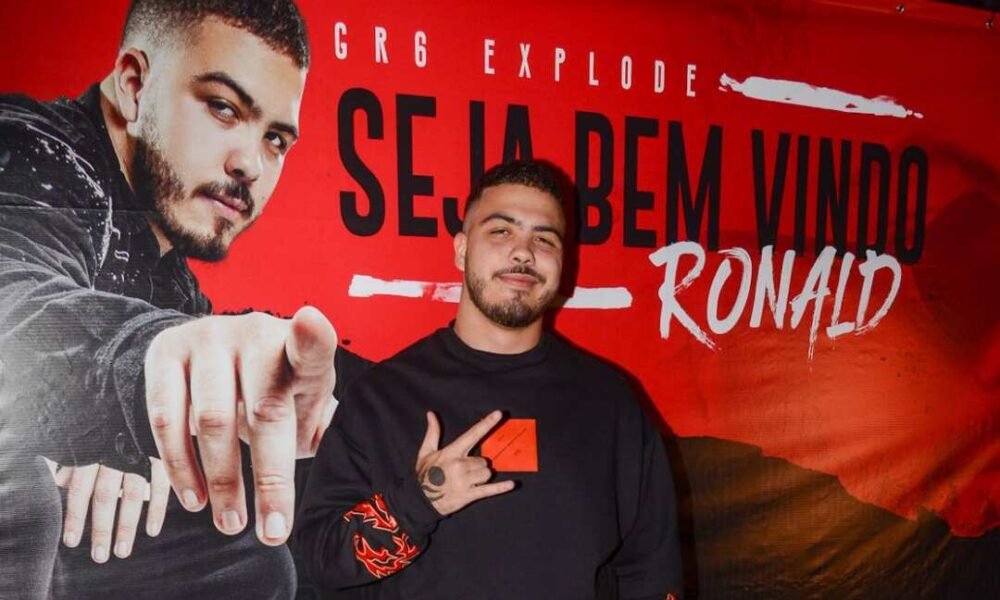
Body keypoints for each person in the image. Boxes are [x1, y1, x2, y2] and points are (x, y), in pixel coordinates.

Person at [0, 1, 367, 598]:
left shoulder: (168, 271)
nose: (250, 164)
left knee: (245, 549)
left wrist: (127, 434)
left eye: (275, 139)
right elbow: (13, 302)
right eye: (223, 108)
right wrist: (136, 379)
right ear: (134, 86)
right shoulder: (29, 152)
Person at [294, 160, 683, 598]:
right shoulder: (382, 398)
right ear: (461, 250)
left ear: (563, 262)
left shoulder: (609, 403)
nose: (523, 253)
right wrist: (419, 502)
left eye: (544, 239)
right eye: (501, 231)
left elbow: (652, 569)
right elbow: (321, 559)